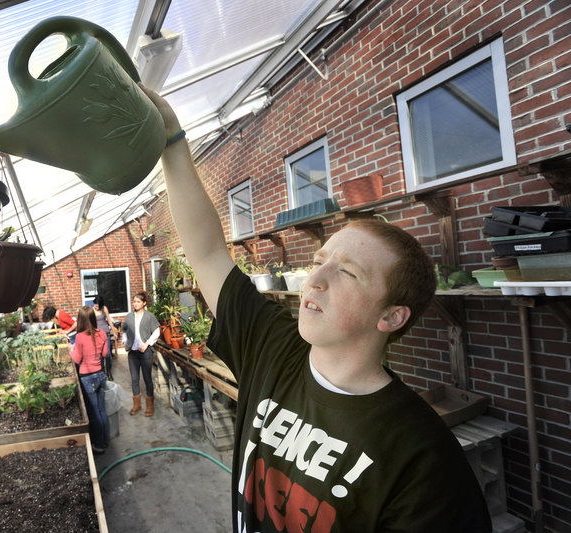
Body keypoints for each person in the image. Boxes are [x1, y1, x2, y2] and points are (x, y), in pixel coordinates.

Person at [139, 83, 492, 533]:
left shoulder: (421, 458)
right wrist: (171, 139)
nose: (316, 280)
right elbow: (208, 253)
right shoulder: (273, 347)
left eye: (347, 273)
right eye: (320, 260)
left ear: (391, 316)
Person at [70, 305, 109, 454]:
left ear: (80, 320)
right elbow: (105, 354)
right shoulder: (103, 334)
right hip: (100, 374)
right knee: (102, 410)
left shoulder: (79, 337)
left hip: (87, 377)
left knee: (94, 413)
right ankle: (104, 440)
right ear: (93, 318)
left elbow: (78, 359)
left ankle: (99, 444)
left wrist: (71, 349)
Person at [120, 291, 160, 417]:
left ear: (144, 303)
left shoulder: (150, 316)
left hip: (145, 352)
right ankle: (137, 405)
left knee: (147, 378)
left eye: (138, 302)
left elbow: (157, 331)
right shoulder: (129, 316)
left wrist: (147, 343)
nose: (135, 304)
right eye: (134, 301)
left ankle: (150, 405)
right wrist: (125, 341)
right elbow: (125, 330)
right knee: (134, 379)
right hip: (133, 352)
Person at [93, 295, 119, 381]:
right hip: (97, 335)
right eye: (95, 305)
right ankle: (102, 372)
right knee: (100, 355)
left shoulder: (104, 308)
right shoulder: (92, 310)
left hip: (106, 333)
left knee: (107, 354)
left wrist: (114, 331)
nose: (96, 307)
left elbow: (109, 320)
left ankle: (109, 372)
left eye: (97, 305)